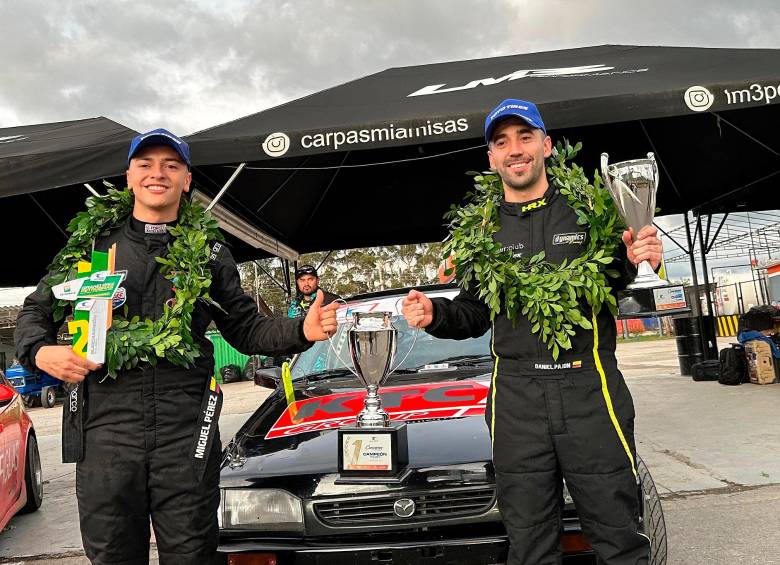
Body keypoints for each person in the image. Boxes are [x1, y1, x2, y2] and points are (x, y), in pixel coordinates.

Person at [15, 129, 338, 565]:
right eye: (145, 164)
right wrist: (39, 351)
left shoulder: (208, 251)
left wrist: (303, 330)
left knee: (192, 554)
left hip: (185, 430)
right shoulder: (91, 246)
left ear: (187, 180)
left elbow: (244, 327)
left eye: (171, 165)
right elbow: (35, 310)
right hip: (107, 429)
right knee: (111, 554)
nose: (157, 174)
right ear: (128, 176)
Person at [402, 100, 663, 565]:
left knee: (619, 536)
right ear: (490, 158)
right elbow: (475, 312)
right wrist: (434, 314)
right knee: (529, 543)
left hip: (590, 386)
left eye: (524, 137)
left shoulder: (591, 209)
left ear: (546, 145)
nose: (514, 149)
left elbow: (617, 273)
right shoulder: (481, 229)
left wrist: (637, 252)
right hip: (517, 397)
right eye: (501, 142)